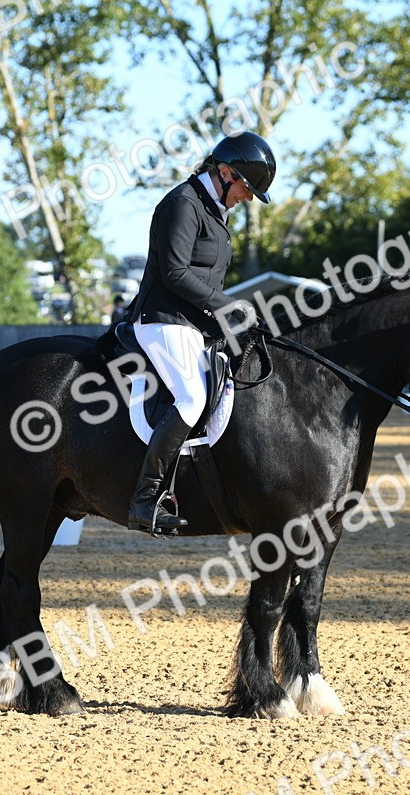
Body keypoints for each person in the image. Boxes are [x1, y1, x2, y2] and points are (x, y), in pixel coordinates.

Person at [125, 131, 275, 533]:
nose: (247, 197)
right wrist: (228, 306)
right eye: (246, 187)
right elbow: (175, 273)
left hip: (194, 320)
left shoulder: (215, 212)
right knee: (192, 399)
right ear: (225, 171)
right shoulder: (182, 204)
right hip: (163, 318)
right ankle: (145, 497)